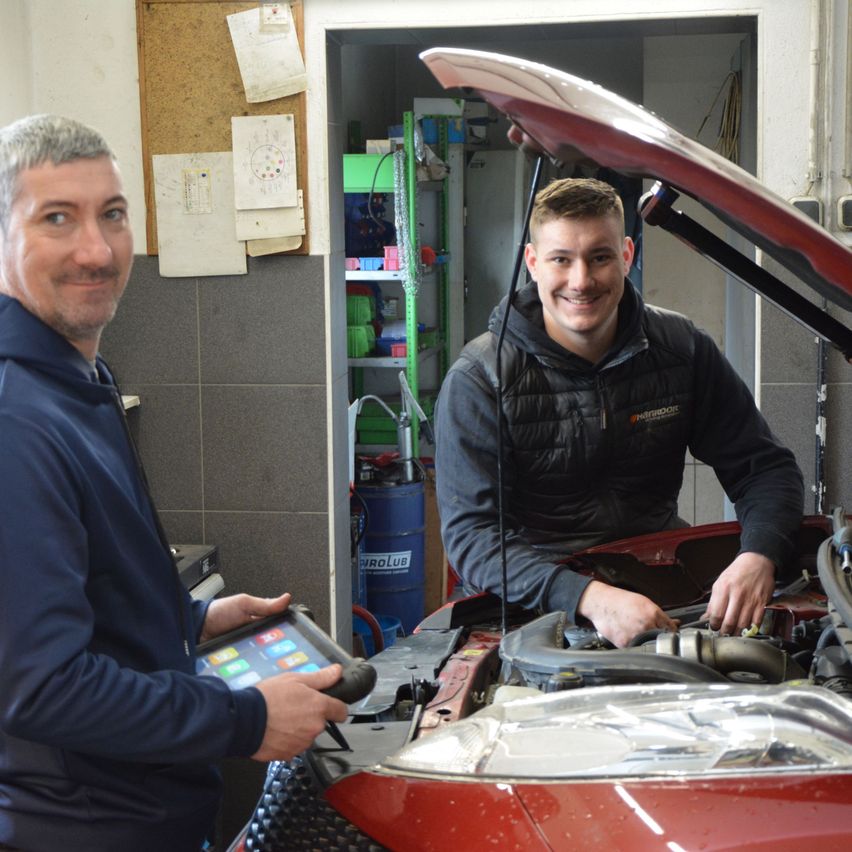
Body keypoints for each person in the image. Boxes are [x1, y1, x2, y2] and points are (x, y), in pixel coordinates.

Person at [0, 114, 347, 851]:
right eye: (57, 218)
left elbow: (75, 600)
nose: (96, 249)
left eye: (113, 215)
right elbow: (42, 686)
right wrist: (246, 721)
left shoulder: (77, 378)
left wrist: (183, 619)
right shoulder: (15, 417)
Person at [434, 176, 804, 648]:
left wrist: (759, 554)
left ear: (627, 255)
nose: (581, 280)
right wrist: (588, 597)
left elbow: (764, 468)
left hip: (663, 596)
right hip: (529, 610)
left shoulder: (682, 349)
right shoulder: (479, 379)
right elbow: (474, 539)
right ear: (532, 264)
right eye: (561, 260)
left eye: (600, 257)